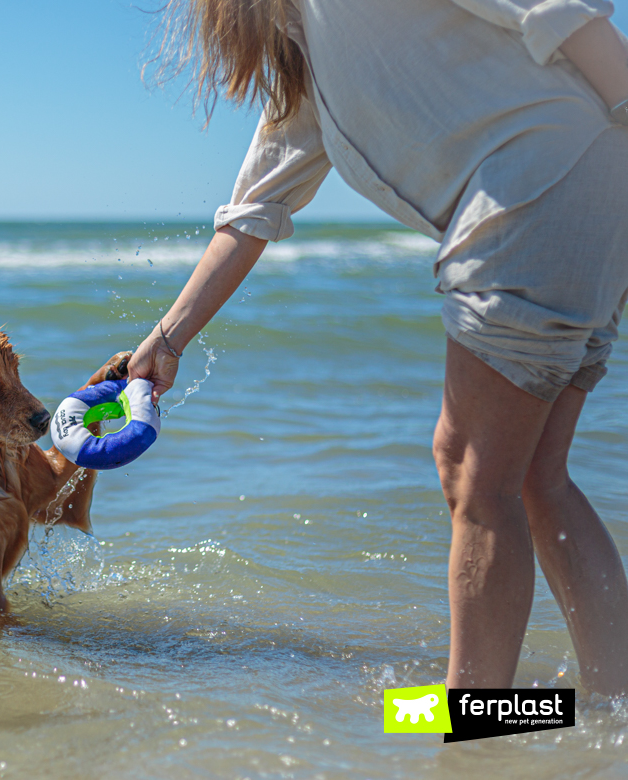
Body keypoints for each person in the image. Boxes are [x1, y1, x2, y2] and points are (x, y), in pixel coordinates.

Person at [128, 0, 628, 693]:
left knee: (472, 470)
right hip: (599, 186)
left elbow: (554, 7)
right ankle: (610, 706)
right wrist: (166, 341)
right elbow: (249, 218)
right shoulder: (312, 73)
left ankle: (471, 734)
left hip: (535, 186)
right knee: (539, 475)